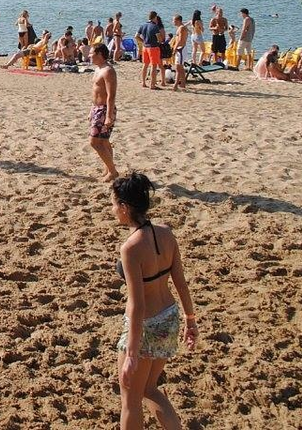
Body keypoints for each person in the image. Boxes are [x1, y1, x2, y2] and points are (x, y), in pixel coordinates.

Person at [111, 172, 197, 430]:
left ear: (125, 207)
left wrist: (132, 354)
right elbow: (181, 283)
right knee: (150, 388)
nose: (113, 210)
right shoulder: (166, 233)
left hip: (145, 326)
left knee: (130, 400)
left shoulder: (130, 248)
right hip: (169, 316)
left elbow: (137, 305)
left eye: (115, 204)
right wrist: (190, 320)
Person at [89, 43, 119, 182]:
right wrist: (92, 110)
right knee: (105, 141)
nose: (89, 55)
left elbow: (111, 95)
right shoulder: (98, 69)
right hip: (97, 108)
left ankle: (112, 171)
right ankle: (108, 168)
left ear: (100, 54)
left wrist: (108, 115)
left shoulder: (108, 71)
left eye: (92, 53)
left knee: (95, 142)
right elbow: (96, 91)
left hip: (105, 109)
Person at [136, 12, 165, 90]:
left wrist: (143, 41)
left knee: (145, 65)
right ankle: (152, 84)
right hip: (153, 47)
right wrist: (160, 41)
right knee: (154, 65)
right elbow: (159, 38)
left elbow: (136, 36)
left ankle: (144, 82)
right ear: (155, 17)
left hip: (145, 47)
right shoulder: (154, 26)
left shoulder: (143, 25)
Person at [169, 15, 188, 92]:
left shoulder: (182, 28)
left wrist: (175, 48)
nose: (173, 22)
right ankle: (182, 84)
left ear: (178, 20)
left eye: (174, 20)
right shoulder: (180, 28)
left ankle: (176, 84)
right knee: (180, 68)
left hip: (181, 49)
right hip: (180, 48)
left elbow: (180, 40)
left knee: (178, 67)